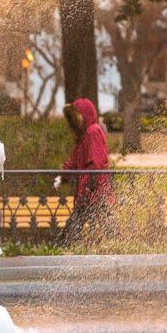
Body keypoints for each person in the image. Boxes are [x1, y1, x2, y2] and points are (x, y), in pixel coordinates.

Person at [54, 98, 115, 243]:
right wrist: (61, 178)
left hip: (95, 193)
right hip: (91, 194)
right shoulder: (84, 137)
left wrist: (90, 186)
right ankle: (113, 248)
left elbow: (96, 162)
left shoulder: (93, 132)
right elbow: (73, 161)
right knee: (102, 227)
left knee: (82, 227)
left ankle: (66, 249)